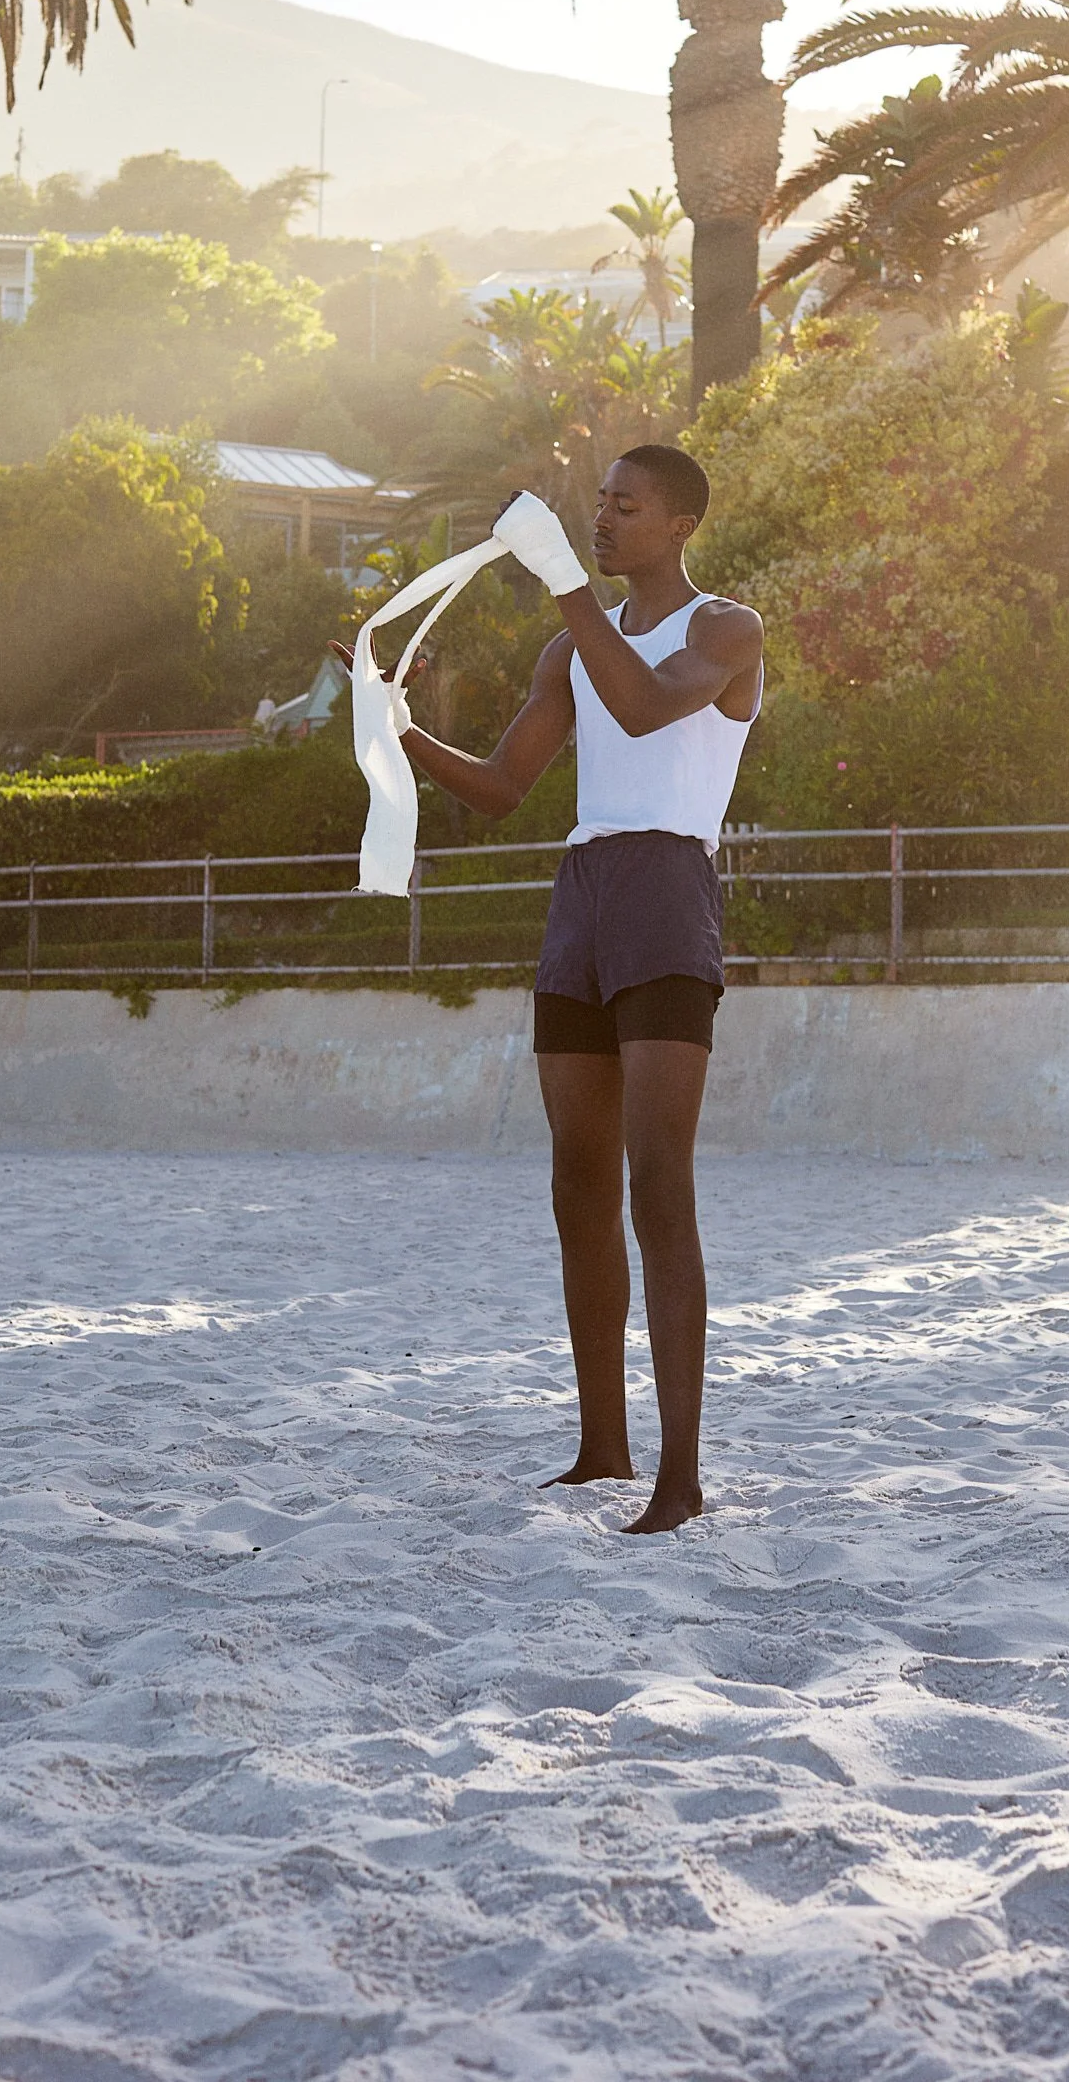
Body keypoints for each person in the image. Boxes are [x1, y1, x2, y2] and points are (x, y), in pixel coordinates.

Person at [363, 446, 764, 1534]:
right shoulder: (569, 645)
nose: (601, 518)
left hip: (667, 886)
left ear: (678, 524)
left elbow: (640, 711)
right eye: (596, 504)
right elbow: (499, 789)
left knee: (654, 1183)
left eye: (624, 506)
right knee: (575, 1182)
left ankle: (679, 1478)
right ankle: (602, 1447)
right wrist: (397, 730)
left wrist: (568, 590)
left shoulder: (725, 630)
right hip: (583, 889)